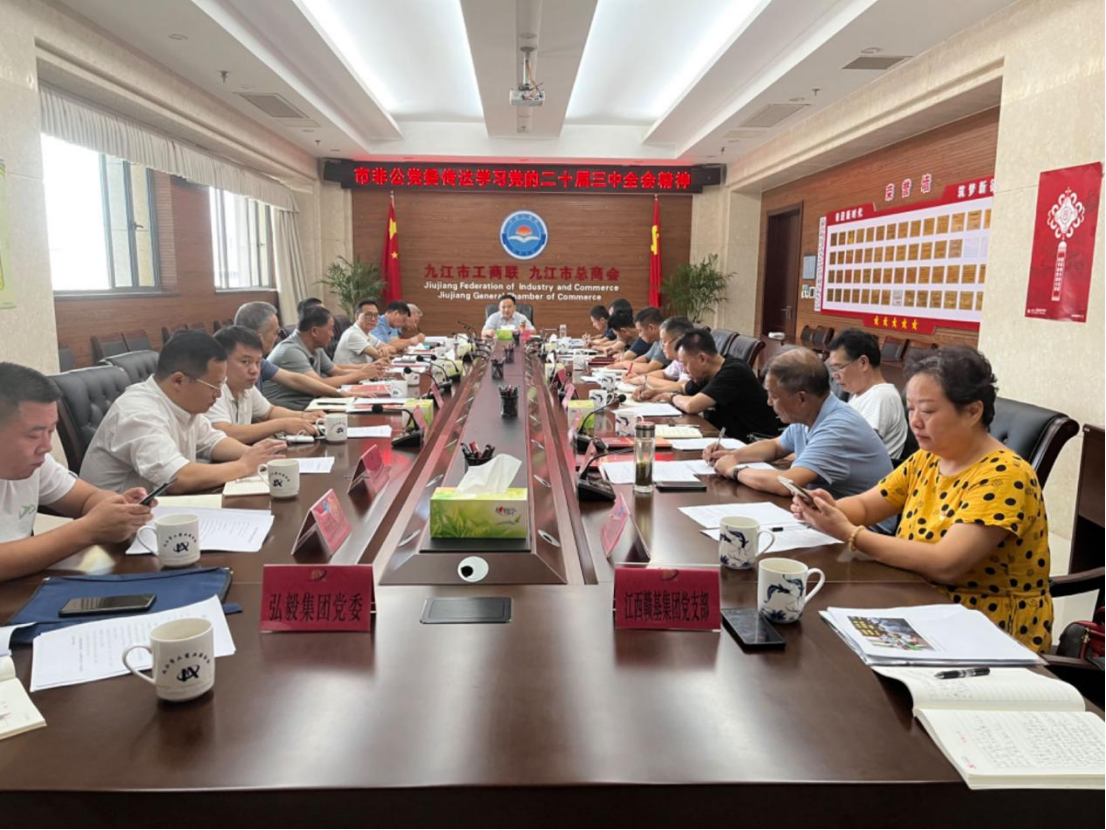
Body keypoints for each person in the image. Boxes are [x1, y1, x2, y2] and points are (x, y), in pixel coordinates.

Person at [793, 347, 1053, 652]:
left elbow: (946, 564)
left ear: (973, 412)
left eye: (927, 411)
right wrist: (826, 508)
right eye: (911, 409)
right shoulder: (928, 458)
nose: (914, 421)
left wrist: (851, 534)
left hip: (985, 630)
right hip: (920, 604)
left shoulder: (1005, 475)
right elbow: (866, 505)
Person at [0, 363, 153, 582]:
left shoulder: (37, 463)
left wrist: (118, 509)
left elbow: (86, 498)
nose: (46, 446)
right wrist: (88, 530)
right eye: (33, 435)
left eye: (50, 431)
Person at [81, 331, 286, 494]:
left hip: (159, 510)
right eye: (215, 386)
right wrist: (244, 466)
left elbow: (212, 441)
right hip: (119, 526)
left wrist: (256, 455)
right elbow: (177, 478)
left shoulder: (183, 403)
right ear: (178, 380)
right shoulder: (138, 412)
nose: (218, 394)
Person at [707, 348, 891, 504]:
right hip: (826, 514)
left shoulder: (837, 428)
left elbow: (787, 483)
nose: (769, 403)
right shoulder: (811, 413)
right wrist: (732, 455)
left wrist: (734, 470)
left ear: (801, 398)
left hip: (860, 527)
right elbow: (775, 446)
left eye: (774, 396)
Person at [638, 328, 779, 441]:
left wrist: (671, 396)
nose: (685, 370)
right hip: (722, 437)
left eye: (685, 364)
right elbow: (682, 387)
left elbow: (692, 405)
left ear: (702, 359)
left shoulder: (733, 372)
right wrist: (656, 392)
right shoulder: (708, 372)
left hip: (750, 442)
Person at [207, 326, 320, 443]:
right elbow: (225, 433)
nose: (254, 370)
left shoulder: (245, 386)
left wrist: (303, 416)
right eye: (245, 361)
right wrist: (282, 424)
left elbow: (270, 411)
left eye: (257, 362)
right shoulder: (212, 390)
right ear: (221, 362)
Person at [264, 305, 384, 410]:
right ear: (314, 331)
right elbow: (318, 384)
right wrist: (360, 375)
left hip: (311, 404)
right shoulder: (290, 351)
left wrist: (367, 371)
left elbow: (336, 371)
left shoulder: (316, 347)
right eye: (330, 329)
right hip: (290, 410)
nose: (333, 334)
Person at [234, 301, 358, 400]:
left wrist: (340, 393)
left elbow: (294, 379)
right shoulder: (231, 369)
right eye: (276, 333)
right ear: (258, 337)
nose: (277, 338)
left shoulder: (262, 363)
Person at [827, 329, 910, 460]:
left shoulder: (882, 397)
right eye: (833, 369)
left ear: (863, 363)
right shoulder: (859, 394)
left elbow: (857, 450)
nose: (834, 375)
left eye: (838, 368)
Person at [627, 316, 695, 394]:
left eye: (665, 341)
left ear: (679, 340)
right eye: (661, 342)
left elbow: (681, 386)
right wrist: (640, 377)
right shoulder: (678, 361)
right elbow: (664, 373)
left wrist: (644, 379)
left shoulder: (693, 359)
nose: (662, 346)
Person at [333, 298, 397, 364]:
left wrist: (386, 349)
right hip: (348, 370)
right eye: (368, 314)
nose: (373, 319)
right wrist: (384, 351)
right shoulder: (352, 334)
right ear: (357, 316)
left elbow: (393, 349)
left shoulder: (367, 334)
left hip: (362, 370)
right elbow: (378, 355)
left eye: (376, 315)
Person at [613, 307, 669, 375]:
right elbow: (645, 357)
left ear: (651, 328)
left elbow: (649, 368)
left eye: (640, 331)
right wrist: (628, 364)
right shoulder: (657, 340)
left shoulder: (666, 340)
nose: (639, 335)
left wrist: (624, 364)